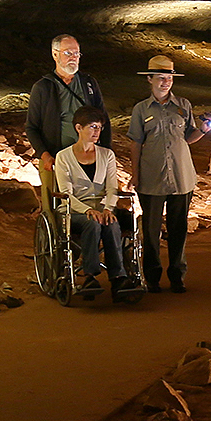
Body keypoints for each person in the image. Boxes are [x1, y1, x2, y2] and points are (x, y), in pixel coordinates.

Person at [127, 55, 211, 293]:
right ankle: (152, 277)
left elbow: (188, 138)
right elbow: (135, 143)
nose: (166, 82)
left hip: (181, 177)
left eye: (170, 77)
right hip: (152, 177)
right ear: (150, 80)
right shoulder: (141, 110)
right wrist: (135, 174)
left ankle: (177, 275)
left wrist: (203, 131)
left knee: (178, 228)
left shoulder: (183, 106)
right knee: (151, 231)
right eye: (161, 78)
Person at [53, 105, 134, 298]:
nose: (97, 132)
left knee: (111, 223)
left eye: (99, 128)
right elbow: (66, 193)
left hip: (102, 207)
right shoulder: (63, 157)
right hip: (74, 209)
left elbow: (112, 188)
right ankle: (89, 275)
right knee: (92, 223)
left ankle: (118, 277)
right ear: (79, 128)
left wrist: (107, 209)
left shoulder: (107, 155)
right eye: (92, 127)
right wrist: (88, 210)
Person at [26, 34, 108, 209]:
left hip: (88, 157)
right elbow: (32, 127)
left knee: (91, 205)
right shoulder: (43, 88)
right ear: (55, 54)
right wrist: (45, 155)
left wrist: (106, 153)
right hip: (56, 157)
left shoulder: (88, 84)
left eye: (77, 54)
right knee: (54, 207)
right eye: (68, 53)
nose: (73, 58)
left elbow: (103, 119)